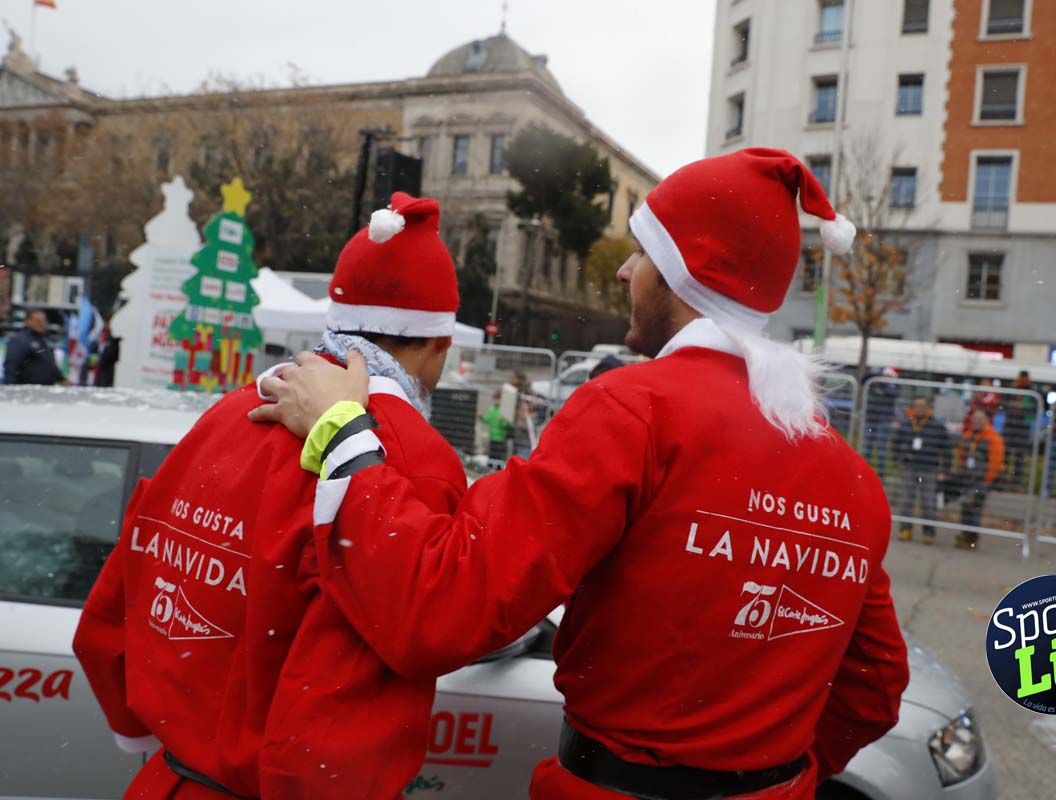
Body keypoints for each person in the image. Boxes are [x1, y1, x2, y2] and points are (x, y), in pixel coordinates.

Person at [254, 148, 909, 800]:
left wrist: (342, 433)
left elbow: (443, 606)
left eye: (643, 253)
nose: (625, 272)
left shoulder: (635, 412)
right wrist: (763, 772)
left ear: (684, 275)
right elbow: (875, 687)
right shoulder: (848, 474)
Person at [72, 193, 467, 799]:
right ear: (438, 343)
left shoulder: (234, 409)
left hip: (165, 783)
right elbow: (343, 705)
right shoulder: (411, 458)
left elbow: (119, 593)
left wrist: (149, 731)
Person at [891, 395, 950, 544]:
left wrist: (945, 470)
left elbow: (947, 450)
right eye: (916, 406)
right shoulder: (906, 424)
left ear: (928, 408)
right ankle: (905, 529)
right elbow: (895, 444)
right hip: (909, 468)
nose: (919, 409)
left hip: (929, 468)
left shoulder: (937, 426)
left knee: (928, 502)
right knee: (907, 501)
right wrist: (898, 461)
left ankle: (929, 533)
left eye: (922, 406)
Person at [954, 409, 1005, 549]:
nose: (976, 421)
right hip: (967, 479)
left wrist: (986, 481)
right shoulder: (968, 436)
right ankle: (965, 534)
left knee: (974, 508)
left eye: (979, 419)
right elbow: (961, 455)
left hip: (981, 481)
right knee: (965, 507)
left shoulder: (993, 438)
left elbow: (995, 462)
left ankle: (972, 538)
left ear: (986, 421)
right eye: (974, 419)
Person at [3, 309, 64, 385]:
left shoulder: (42, 340)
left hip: (44, 390)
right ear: (28, 321)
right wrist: (10, 387)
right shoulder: (20, 340)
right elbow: (11, 366)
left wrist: (62, 379)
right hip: (27, 390)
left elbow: (49, 363)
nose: (42, 324)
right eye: (38, 321)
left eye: (44, 320)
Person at [1002, 371, 1038, 489]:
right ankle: (1001, 480)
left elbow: (1037, 406)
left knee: (1019, 456)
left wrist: (1023, 407)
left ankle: (1016, 482)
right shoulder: (1012, 389)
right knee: (1005, 454)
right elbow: (1003, 403)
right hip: (1010, 425)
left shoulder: (1032, 391)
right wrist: (1012, 405)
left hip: (1022, 426)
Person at [863, 368, 900, 470]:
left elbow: (894, 393)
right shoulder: (874, 382)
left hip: (884, 420)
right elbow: (864, 379)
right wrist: (877, 375)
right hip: (871, 418)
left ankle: (881, 470)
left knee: (881, 446)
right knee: (867, 445)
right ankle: (864, 468)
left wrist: (884, 384)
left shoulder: (894, 385)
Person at [480, 389, 512, 461]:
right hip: (492, 438)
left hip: (501, 439)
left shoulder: (504, 409)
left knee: (500, 459)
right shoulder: (491, 409)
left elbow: (507, 425)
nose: (495, 401)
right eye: (494, 398)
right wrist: (481, 417)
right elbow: (487, 419)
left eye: (497, 399)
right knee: (492, 457)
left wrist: (503, 421)